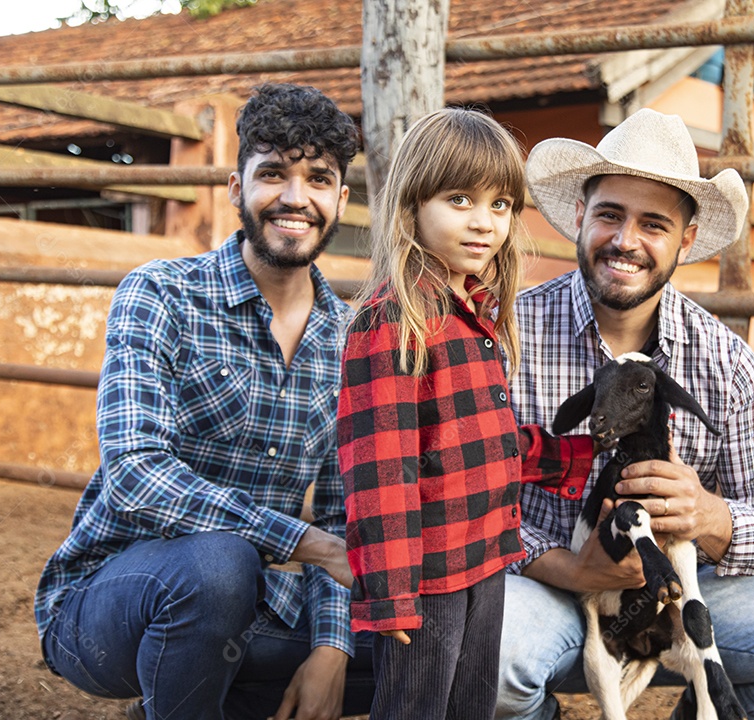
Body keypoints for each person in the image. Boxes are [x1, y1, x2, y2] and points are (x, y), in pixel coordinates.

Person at [496, 108, 754, 719]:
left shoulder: (726, 361)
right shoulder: (508, 334)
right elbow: (468, 498)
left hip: (689, 593)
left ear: (685, 241)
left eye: (654, 224)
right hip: (549, 588)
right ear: (580, 217)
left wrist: (709, 515)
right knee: (494, 656)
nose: (626, 241)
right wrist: (566, 565)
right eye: (609, 214)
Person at [35, 83, 375, 720]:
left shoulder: (352, 339)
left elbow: (338, 519)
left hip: (248, 612)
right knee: (221, 563)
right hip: (106, 606)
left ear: (342, 199)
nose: (294, 198)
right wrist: (307, 544)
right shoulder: (160, 294)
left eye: (318, 179)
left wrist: (330, 650)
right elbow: (135, 473)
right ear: (235, 187)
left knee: (416, 647)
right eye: (272, 173)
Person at [334, 108, 594, 720]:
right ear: (413, 204)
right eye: (460, 199)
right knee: (416, 706)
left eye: (501, 204)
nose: (486, 223)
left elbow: (483, 439)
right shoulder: (393, 321)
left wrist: (580, 457)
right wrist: (391, 589)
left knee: (470, 704)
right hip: (426, 572)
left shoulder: (474, 314)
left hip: (485, 554)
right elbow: (379, 469)